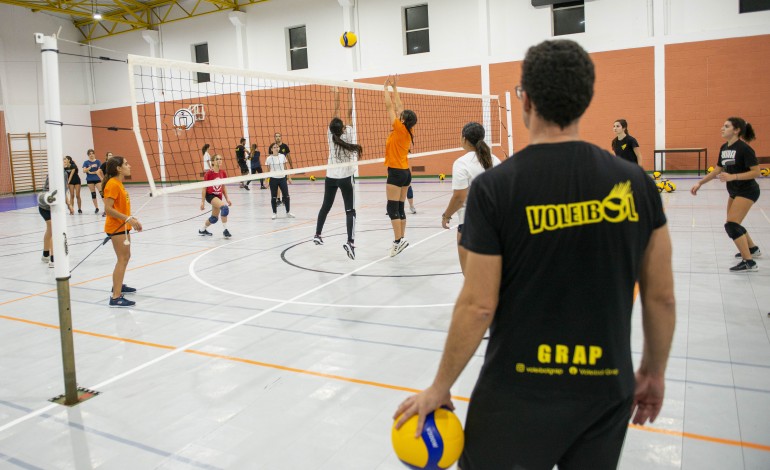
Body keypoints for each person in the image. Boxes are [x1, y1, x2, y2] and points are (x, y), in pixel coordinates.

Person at [393, 39, 676, 470]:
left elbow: (478, 304)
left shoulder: (495, 189)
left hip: (516, 395)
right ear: (586, 99)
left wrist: (440, 385)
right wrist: (653, 372)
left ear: (525, 99)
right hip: (604, 391)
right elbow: (661, 297)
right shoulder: (636, 183)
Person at [690, 117, 761, 272]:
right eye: (723, 125)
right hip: (734, 191)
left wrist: (733, 177)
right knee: (734, 222)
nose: (722, 128)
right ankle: (753, 249)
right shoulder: (724, 148)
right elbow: (717, 170)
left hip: (747, 190)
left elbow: (756, 172)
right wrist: (700, 183)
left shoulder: (744, 149)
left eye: (726, 126)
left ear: (736, 130)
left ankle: (749, 262)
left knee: (732, 225)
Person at [440, 122, 501, 273]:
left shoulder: (461, 163)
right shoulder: (495, 159)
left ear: (464, 139)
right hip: (495, 224)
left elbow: (460, 197)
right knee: (492, 276)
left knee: (471, 277)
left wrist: (446, 215)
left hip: (470, 225)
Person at [313, 87, 362, 259]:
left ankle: (317, 235)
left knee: (326, 206)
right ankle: (350, 242)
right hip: (346, 177)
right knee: (350, 211)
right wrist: (350, 92)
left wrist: (336, 94)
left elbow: (336, 112)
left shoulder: (330, 134)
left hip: (331, 177)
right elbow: (349, 112)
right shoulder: (349, 132)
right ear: (342, 128)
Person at [383, 75, 417, 257]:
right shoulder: (409, 129)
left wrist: (385, 89)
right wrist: (395, 88)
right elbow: (400, 107)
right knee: (400, 208)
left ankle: (398, 241)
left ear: (402, 120)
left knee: (392, 208)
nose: (399, 114)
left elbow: (391, 107)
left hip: (396, 173)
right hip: (405, 173)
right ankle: (401, 239)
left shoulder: (398, 127)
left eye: (401, 115)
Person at [102, 156, 142, 308]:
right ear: (118, 168)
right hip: (116, 228)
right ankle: (116, 297)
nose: (129, 165)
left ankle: (118, 285)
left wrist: (132, 219)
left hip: (122, 227)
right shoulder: (113, 184)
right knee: (122, 259)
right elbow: (108, 209)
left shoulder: (118, 183)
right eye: (126, 164)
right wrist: (127, 219)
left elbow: (119, 208)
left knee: (125, 257)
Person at [199, 154, 233, 238]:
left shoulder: (223, 173)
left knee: (214, 218)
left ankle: (202, 230)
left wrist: (227, 198)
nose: (220, 160)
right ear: (213, 161)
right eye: (217, 159)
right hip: (210, 195)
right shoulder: (208, 174)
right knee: (224, 208)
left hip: (218, 196)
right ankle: (225, 230)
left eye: (221, 159)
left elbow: (223, 187)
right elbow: (204, 188)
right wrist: (202, 202)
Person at [265, 142, 294, 219]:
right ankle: (274, 213)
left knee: (286, 196)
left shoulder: (282, 156)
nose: (276, 148)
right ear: (271, 149)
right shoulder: (269, 158)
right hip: (273, 179)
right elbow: (267, 171)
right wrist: (267, 181)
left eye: (277, 147)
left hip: (282, 178)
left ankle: (288, 212)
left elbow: (285, 168)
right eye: (274, 147)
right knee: (273, 197)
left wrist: (289, 177)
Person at [273, 132, 293, 202]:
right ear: (274, 138)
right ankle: (278, 199)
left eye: (279, 136)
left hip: (284, 168)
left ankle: (284, 197)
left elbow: (288, 156)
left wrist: (291, 165)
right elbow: (270, 157)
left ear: (281, 137)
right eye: (276, 136)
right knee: (277, 185)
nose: (278, 137)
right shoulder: (272, 146)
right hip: (276, 169)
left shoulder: (285, 146)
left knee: (284, 184)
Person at [82, 149, 102, 213]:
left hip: (97, 179)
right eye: (90, 154)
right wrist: (90, 167)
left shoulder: (98, 161)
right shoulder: (86, 162)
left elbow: (99, 171)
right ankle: (96, 208)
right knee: (93, 194)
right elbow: (84, 171)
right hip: (90, 180)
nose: (91, 155)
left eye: (92, 153)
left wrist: (91, 172)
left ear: (94, 154)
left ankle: (106, 206)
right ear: (88, 155)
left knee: (102, 193)